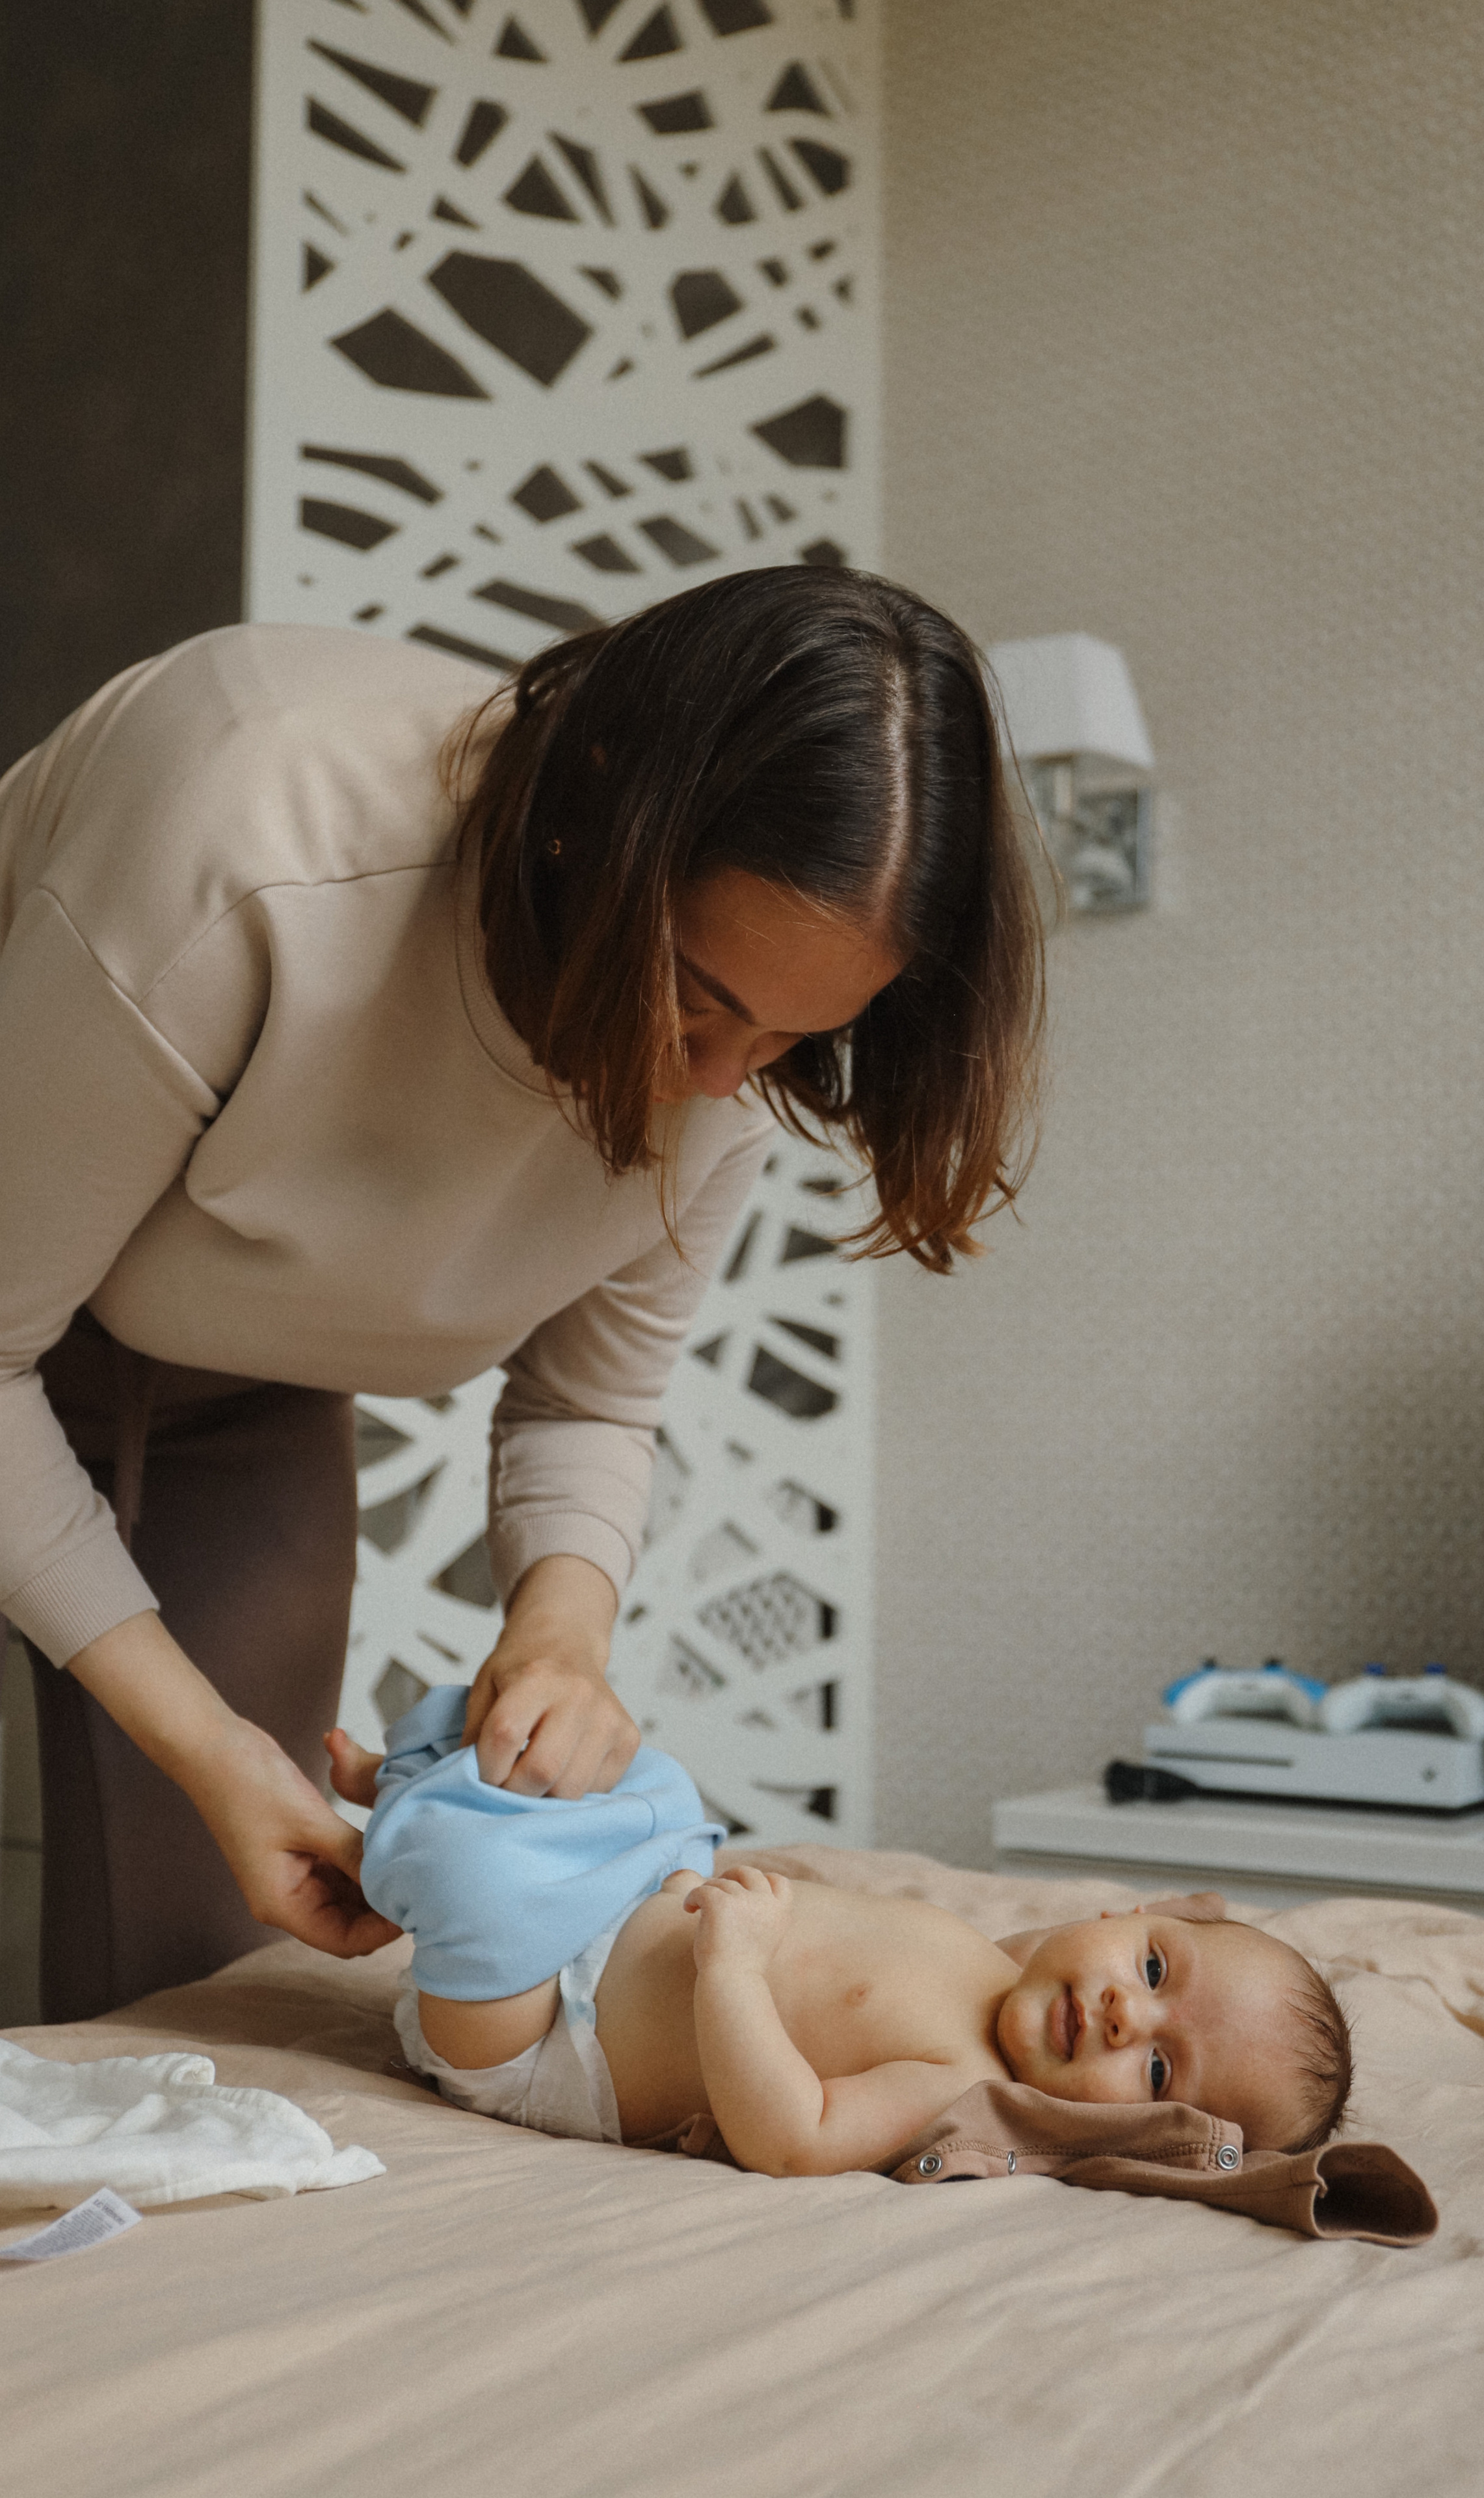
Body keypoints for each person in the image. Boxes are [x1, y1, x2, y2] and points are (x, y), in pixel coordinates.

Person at [0, 567, 1046, 2019]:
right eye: (695, 997)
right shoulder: (251, 839)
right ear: (592, 827)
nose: (718, 1082)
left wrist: (559, 1635)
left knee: (198, 1976)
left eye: (792, 1040)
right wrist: (204, 1741)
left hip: (236, 1385)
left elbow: (587, 1402)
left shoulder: (736, 1074)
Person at [332, 1694, 1352, 2171]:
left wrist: (733, 1971)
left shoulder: (957, 2086)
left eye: (1160, 2071)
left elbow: (795, 2135)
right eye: (1156, 1968)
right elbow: (1084, 1942)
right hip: (625, 1899)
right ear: (1122, 1916)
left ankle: (409, 1835)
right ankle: (415, 1778)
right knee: (645, 1772)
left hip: (541, 2028)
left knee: (479, 1881)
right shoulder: (1006, 1967)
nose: (1128, 2016)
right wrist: (1190, 1915)